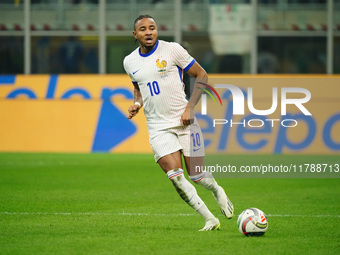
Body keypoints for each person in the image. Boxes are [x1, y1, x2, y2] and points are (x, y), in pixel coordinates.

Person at [123, 14, 234, 231]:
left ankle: (217, 190)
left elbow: (201, 75)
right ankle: (209, 219)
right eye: (143, 29)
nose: (149, 32)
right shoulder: (130, 61)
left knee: (198, 176)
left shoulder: (172, 50)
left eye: (152, 28)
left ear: (157, 31)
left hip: (184, 121)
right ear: (135, 35)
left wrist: (189, 107)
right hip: (157, 127)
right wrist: (137, 103)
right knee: (175, 176)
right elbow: (139, 88)